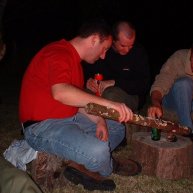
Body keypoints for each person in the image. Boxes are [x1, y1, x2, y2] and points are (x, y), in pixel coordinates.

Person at [19, 19, 141, 191]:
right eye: (104, 49)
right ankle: (108, 165)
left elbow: (78, 104)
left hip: (69, 118)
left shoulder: (75, 64)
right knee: (99, 151)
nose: (104, 55)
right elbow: (61, 92)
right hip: (42, 126)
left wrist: (100, 121)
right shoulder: (57, 52)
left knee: (117, 128)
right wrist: (109, 103)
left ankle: (80, 162)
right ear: (93, 40)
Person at [84, 20, 150, 113]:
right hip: (100, 92)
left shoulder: (138, 52)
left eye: (131, 45)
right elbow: (87, 69)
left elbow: (144, 85)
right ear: (114, 40)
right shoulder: (103, 50)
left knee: (110, 95)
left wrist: (114, 82)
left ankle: (114, 127)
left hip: (129, 95)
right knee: (83, 94)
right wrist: (88, 81)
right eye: (123, 45)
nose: (127, 50)